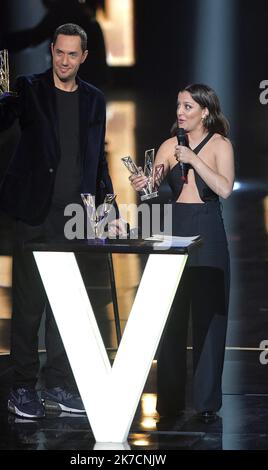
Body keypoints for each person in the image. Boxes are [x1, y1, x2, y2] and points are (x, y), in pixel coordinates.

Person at [0, 23, 122, 419]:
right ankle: (22, 388)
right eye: (59, 52)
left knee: (67, 304)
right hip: (34, 213)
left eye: (72, 54)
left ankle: (59, 383)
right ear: (52, 51)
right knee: (29, 306)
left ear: (84, 57)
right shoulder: (29, 87)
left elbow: (99, 158)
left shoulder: (94, 100)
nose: (64, 60)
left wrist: (109, 209)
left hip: (75, 216)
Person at [130, 84, 234, 423]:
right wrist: (142, 185)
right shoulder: (166, 146)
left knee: (209, 320)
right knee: (172, 319)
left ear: (205, 111)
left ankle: (206, 402)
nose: (180, 111)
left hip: (207, 230)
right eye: (178, 105)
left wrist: (193, 159)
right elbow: (151, 192)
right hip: (172, 229)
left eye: (188, 106)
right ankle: (170, 400)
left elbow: (224, 188)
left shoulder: (220, 145)